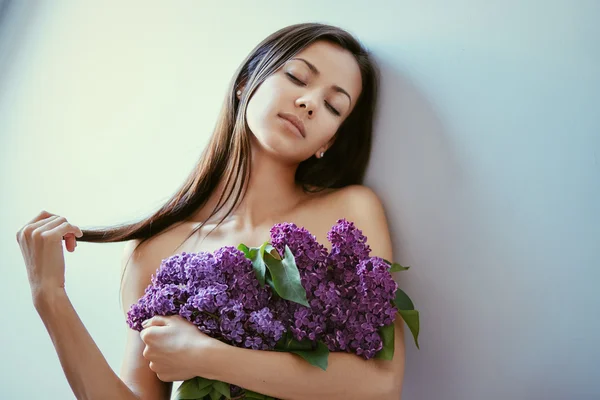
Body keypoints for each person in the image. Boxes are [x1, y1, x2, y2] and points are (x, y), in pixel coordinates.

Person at [15, 22, 406, 400]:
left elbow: (379, 385)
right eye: (298, 78)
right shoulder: (154, 251)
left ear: (329, 141)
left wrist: (205, 356)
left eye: (333, 106)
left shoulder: (348, 215)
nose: (308, 103)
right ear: (244, 83)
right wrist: (49, 297)